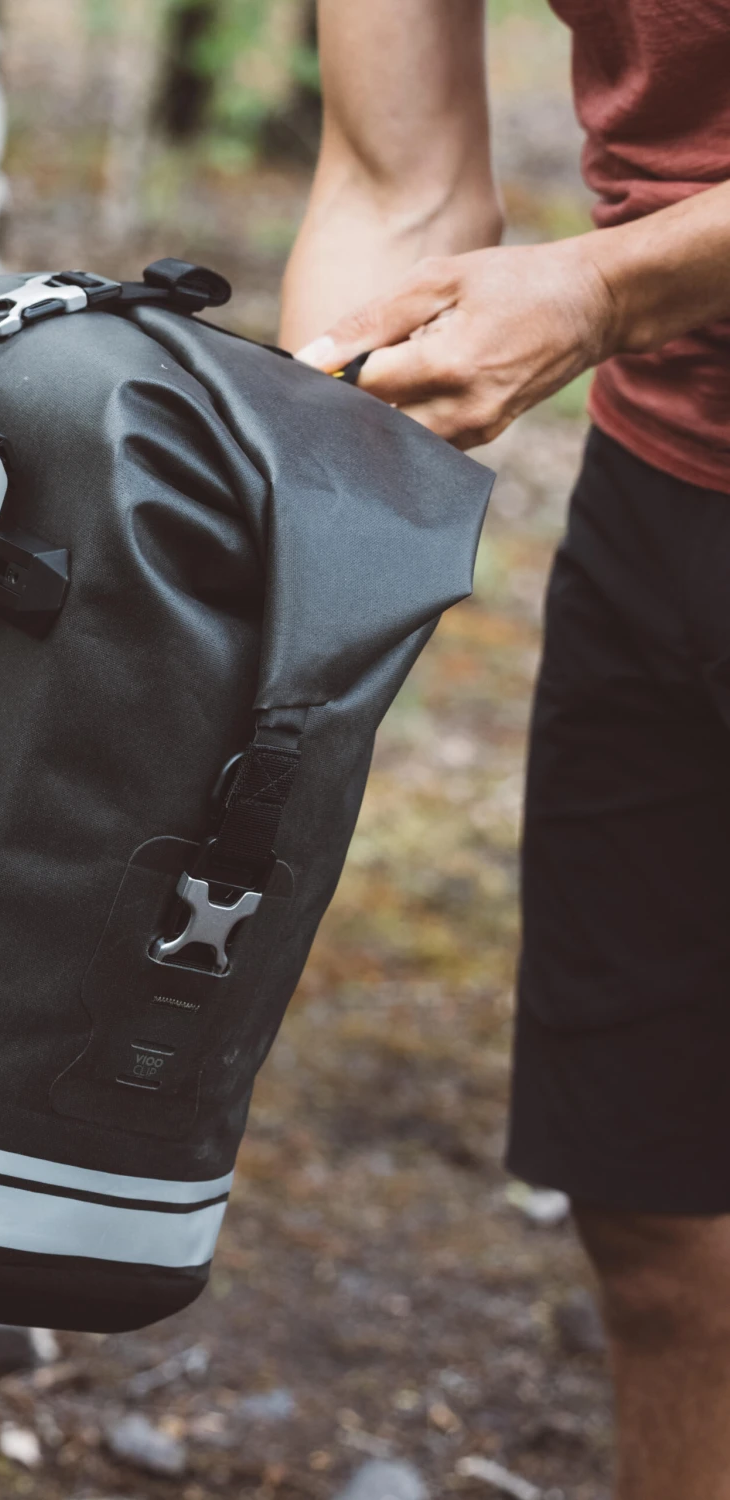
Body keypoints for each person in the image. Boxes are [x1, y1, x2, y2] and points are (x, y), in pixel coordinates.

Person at [279, 3, 730, 1496]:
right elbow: (392, 181)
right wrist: (300, 519)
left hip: (636, 338)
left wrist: (603, 286)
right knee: (655, 1210)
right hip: (661, 497)